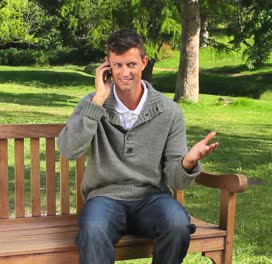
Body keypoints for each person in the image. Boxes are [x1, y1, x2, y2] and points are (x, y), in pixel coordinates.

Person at [57, 29, 219, 264]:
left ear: (144, 62)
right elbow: (69, 150)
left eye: (131, 64)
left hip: (151, 198)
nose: (124, 73)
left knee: (177, 223)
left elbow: (176, 181)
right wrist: (98, 102)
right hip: (104, 198)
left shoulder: (169, 111)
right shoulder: (92, 103)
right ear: (107, 66)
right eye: (117, 65)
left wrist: (187, 162)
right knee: (93, 230)